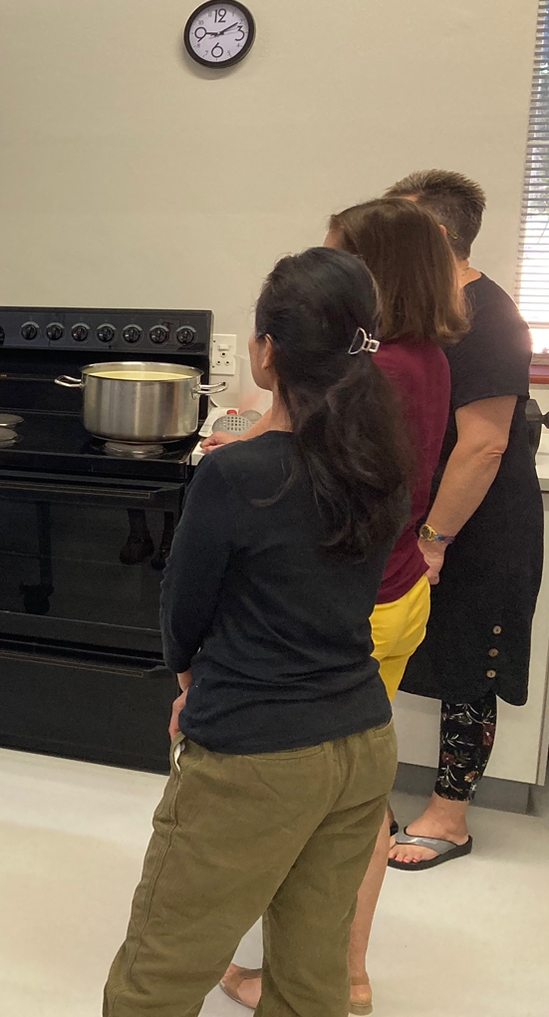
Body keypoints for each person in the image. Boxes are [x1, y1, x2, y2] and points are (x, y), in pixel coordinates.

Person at [103, 247, 407, 1017]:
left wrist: (193, 688)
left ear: (268, 353)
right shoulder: (383, 464)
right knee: (312, 980)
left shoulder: (235, 475)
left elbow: (185, 611)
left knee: (155, 980)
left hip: (254, 757)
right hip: (363, 744)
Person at [212, 199, 466, 1013]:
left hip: (350, 605)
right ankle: (342, 973)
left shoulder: (374, 370)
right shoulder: (424, 357)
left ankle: (335, 977)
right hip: (396, 591)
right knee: (356, 793)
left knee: (325, 805)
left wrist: (239, 445)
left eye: (338, 258)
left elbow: (300, 467)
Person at [384, 170, 543, 868]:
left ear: (439, 237)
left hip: (481, 522)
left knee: (470, 665)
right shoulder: (420, 310)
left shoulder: (491, 317)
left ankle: (450, 817)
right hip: (423, 511)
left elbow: (484, 444)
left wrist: (435, 541)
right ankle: (360, 797)